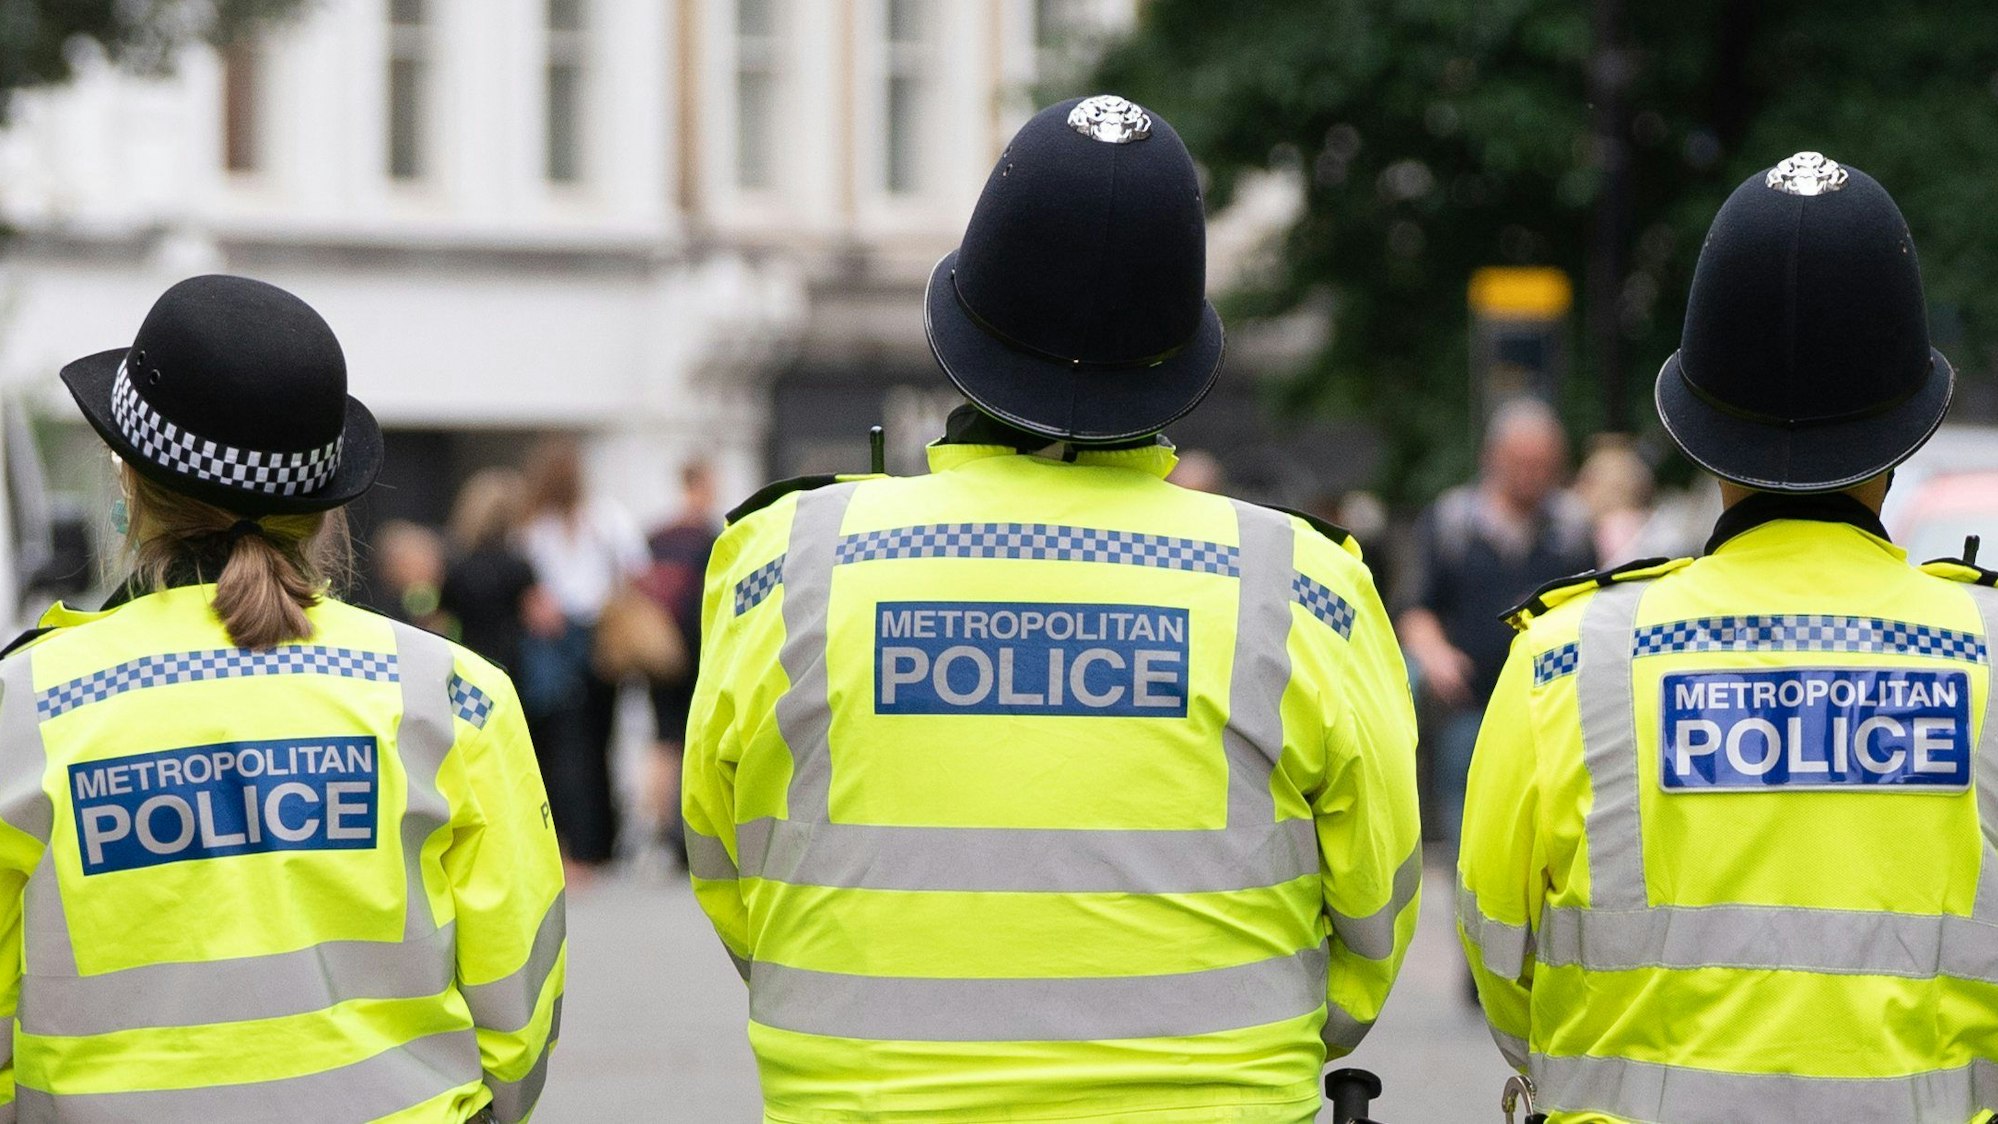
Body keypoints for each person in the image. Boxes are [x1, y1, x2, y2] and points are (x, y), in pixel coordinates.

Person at [683, 96, 1420, 1121]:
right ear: (1178, 360)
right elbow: (1373, 921)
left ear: (959, 323)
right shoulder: (1303, 587)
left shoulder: (782, 561)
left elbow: (731, 872)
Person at [1459, 153, 1995, 1121]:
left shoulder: (1570, 658)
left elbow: (1503, 957)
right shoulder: (1988, 650)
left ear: (1697, 424)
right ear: (1909, 428)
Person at [0, 275, 563, 1119]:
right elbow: (519, 1000)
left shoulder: (24, 707)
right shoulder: (454, 698)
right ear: (325, 502)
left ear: (130, 482)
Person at [1396, 398, 1594, 848]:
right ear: (1491, 459)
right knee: (1470, 822)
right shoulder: (1451, 523)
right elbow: (1415, 608)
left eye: (1542, 465)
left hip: (1550, 701)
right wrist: (1436, 655)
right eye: (1520, 462)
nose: (1531, 474)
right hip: (1470, 700)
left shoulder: (1572, 527)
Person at [518, 436, 647, 874]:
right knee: (600, 739)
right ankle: (600, 840)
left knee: (566, 740)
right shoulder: (604, 517)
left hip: (560, 634)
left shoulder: (533, 525)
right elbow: (636, 567)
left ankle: (578, 840)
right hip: (598, 630)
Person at [641, 460, 720, 860]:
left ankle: (656, 831)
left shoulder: (657, 536)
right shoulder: (711, 537)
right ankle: (686, 832)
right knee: (694, 739)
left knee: (662, 741)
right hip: (696, 649)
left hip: (659, 651)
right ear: (702, 486)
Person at [441, 468, 559, 675]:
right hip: (513, 666)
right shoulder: (519, 567)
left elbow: (439, 623)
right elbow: (546, 621)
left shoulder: (457, 568)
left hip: (469, 664)